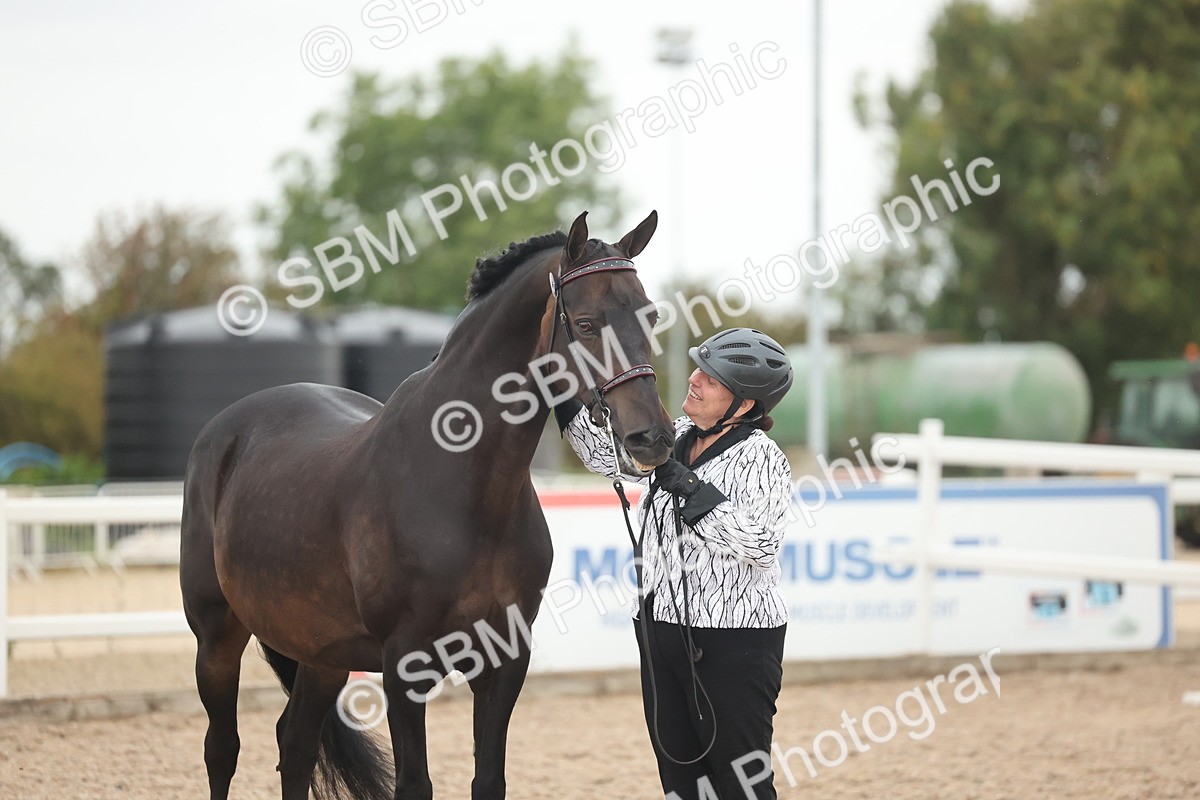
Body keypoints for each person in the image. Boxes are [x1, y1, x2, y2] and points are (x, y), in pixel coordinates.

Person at [556, 327, 795, 799]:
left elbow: (759, 542)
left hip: (734, 643)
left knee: (740, 783)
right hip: (658, 630)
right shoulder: (678, 434)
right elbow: (608, 457)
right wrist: (563, 395)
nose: (694, 379)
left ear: (743, 405)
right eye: (699, 368)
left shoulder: (763, 458)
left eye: (711, 377)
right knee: (680, 781)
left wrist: (687, 486)